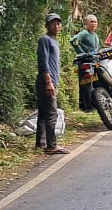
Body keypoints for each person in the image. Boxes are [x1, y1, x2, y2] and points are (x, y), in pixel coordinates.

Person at [36, 13, 68, 155]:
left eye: (58, 23)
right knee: (52, 113)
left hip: (51, 81)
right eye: (53, 23)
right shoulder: (45, 40)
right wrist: (49, 82)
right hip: (46, 81)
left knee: (43, 113)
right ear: (46, 25)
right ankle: (51, 145)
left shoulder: (54, 41)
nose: (56, 26)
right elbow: (43, 62)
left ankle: (41, 142)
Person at [71, 14, 101, 112]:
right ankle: (86, 107)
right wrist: (81, 52)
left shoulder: (95, 35)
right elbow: (73, 40)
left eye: (95, 22)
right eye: (91, 21)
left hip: (94, 62)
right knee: (86, 85)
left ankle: (93, 105)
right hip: (85, 62)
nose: (93, 24)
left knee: (95, 83)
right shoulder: (84, 33)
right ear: (86, 23)